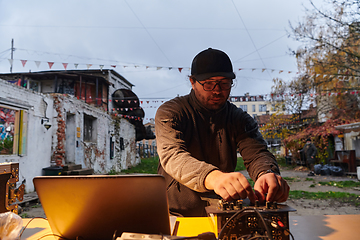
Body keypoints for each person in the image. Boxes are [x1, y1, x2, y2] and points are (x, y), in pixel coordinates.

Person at [155, 48, 290, 217]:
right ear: (192, 82)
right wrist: (214, 177)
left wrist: (266, 173)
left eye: (224, 83)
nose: (217, 90)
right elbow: (173, 156)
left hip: (223, 210)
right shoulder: (171, 112)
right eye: (209, 84)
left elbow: (257, 154)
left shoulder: (240, 119)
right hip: (176, 212)